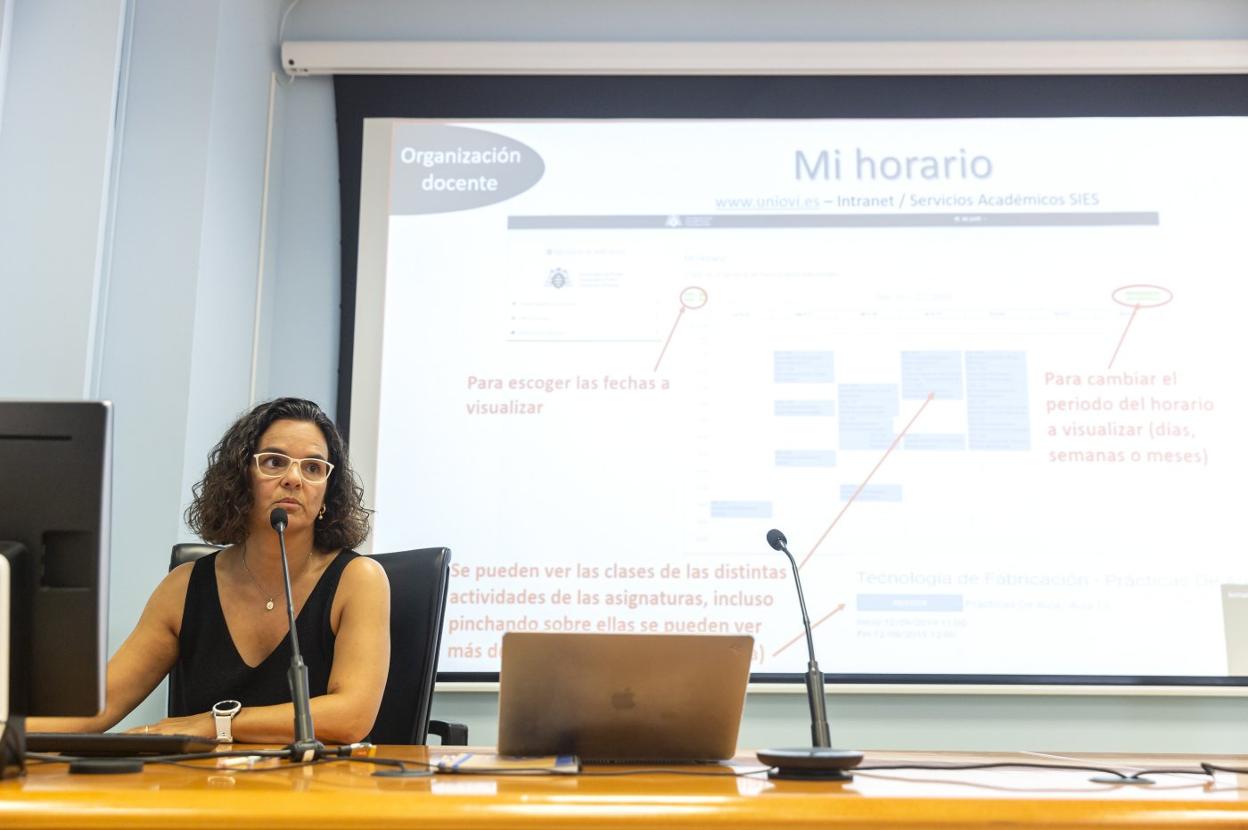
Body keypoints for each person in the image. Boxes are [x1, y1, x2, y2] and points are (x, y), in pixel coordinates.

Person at [28, 398, 390, 743]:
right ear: (240, 478)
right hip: (203, 794)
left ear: (327, 492)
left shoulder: (358, 580)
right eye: (274, 462)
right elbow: (95, 706)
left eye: (313, 467)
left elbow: (351, 717)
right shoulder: (184, 588)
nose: (294, 479)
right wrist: (10, 729)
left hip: (318, 795)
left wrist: (212, 724)